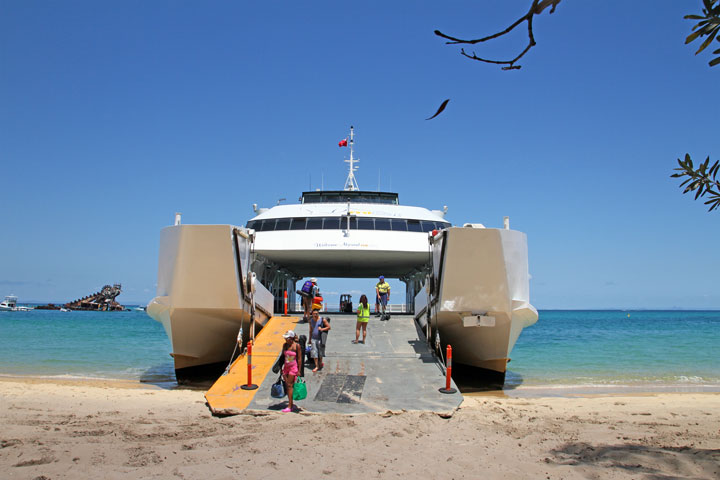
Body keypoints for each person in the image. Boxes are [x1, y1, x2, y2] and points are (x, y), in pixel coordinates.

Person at [281, 330, 302, 412]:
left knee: (289, 385)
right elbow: (283, 357)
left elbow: (299, 359)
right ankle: (290, 403)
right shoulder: (285, 345)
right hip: (286, 367)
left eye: (287, 338)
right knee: (288, 386)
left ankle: (290, 405)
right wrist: (281, 369)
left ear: (291, 338)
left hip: (293, 367)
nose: (286, 340)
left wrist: (299, 370)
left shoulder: (297, 346)